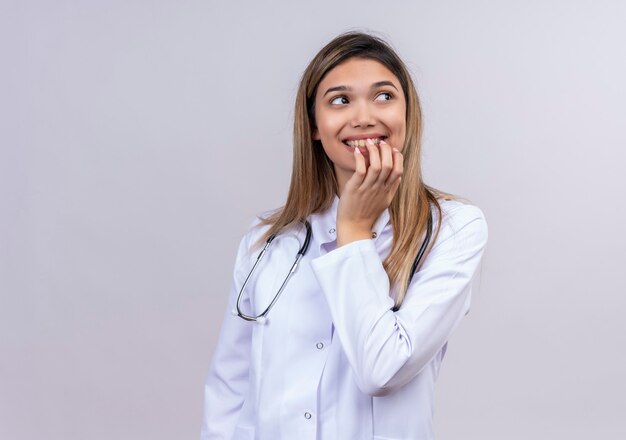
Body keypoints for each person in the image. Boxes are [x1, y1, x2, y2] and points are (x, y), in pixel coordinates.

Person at [201, 31, 488, 440]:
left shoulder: (452, 229)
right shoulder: (266, 240)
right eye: (340, 100)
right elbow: (229, 389)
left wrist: (354, 230)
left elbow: (381, 370)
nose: (364, 117)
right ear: (314, 126)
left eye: (384, 96)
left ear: (409, 113)